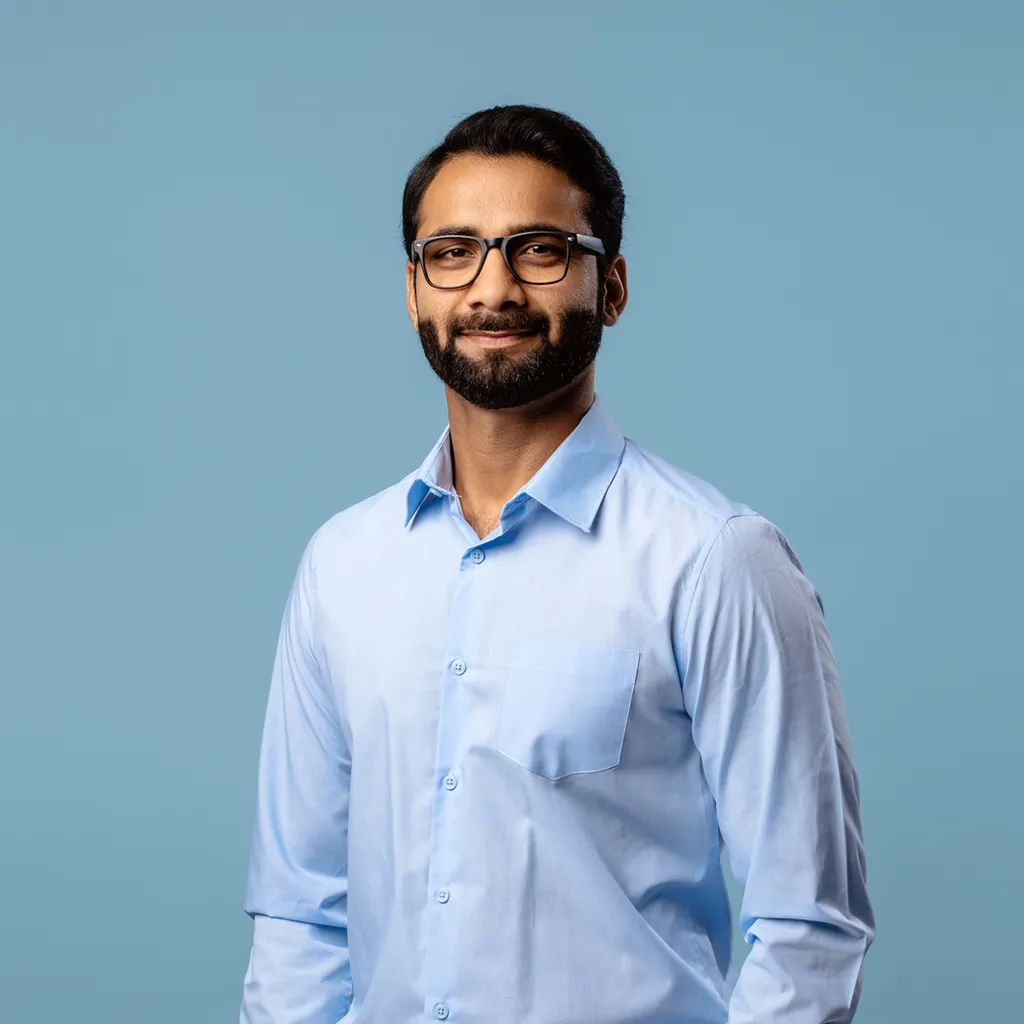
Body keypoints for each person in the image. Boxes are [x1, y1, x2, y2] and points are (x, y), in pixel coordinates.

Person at [238, 104, 874, 1024]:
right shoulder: (342, 564)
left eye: (539, 249)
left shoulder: (715, 561)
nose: (492, 290)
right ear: (415, 290)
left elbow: (809, 926)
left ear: (609, 287)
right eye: (452, 252)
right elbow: (300, 913)